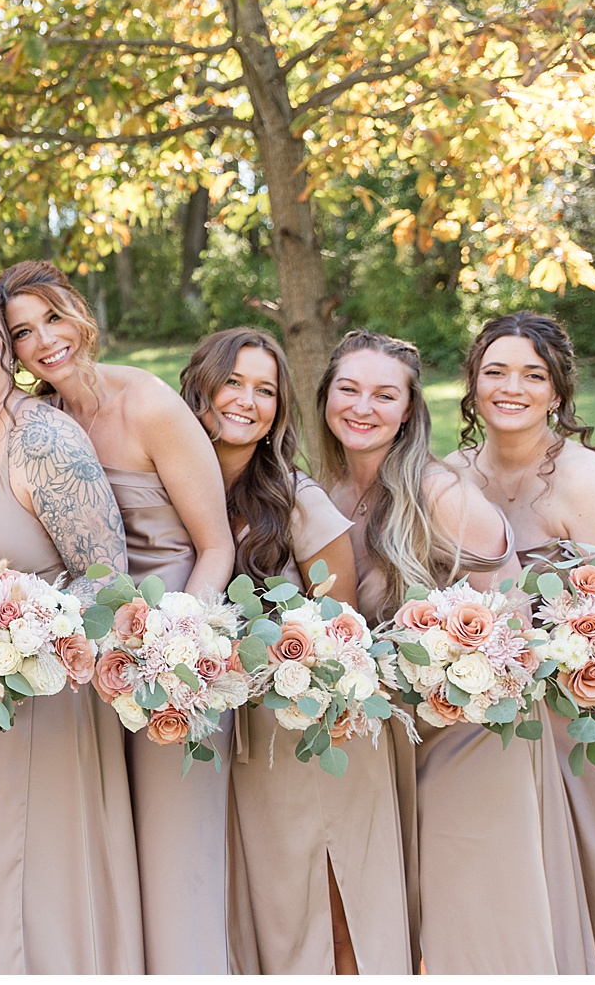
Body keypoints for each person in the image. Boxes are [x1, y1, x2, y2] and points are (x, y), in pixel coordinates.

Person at [0, 259, 234, 972]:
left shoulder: (149, 403)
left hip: (171, 651)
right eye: (22, 333)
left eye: (53, 318)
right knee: (109, 854)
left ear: (80, 313)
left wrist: (180, 645)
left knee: (175, 855)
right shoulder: (40, 424)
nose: (44, 342)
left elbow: (215, 543)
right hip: (88, 660)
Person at [314, 328, 576, 974]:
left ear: (408, 411)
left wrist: (445, 660)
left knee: (476, 918)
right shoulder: (332, 494)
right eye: (348, 389)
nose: (362, 406)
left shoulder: (440, 494)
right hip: (396, 738)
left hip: (475, 736)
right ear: (324, 397)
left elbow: (514, 626)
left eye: (383, 394)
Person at [0, 272, 141, 973]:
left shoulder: (43, 439)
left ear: (7, 349)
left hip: (47, 693)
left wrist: (24, 637)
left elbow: (107, 576)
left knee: (36, 877)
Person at [179, 327, 410, 974]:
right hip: (231, 743)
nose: (247, 401)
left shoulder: (297, 501)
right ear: (199, 383)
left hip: (311, 732)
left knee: (328, 900)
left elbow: (342, 632)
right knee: (268, 912)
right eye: (233, 382)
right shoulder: (168, 490)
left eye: (266, 390)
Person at [446, 311, 595, 974]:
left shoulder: (585, 479)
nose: (511, 387)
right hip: (484, 716)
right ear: (474, 384)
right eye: (495, 371)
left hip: (579, 711)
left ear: (558, 392)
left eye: (532, 374)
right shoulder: (449, 474)